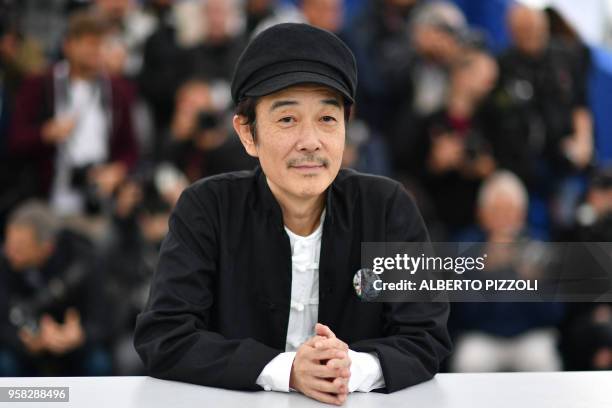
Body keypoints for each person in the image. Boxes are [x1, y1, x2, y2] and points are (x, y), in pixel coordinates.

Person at [134, 23, 451, 405]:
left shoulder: (387, 207)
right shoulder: (207, 208)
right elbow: (164, 336)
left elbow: (426, 336)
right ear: (248, 133)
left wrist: (351, 367)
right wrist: (285, 371)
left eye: (327, 119)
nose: (310, 141)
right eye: (287, 119)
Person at [8, 11, 138, 217]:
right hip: (46, 200)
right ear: (68, 45)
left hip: (97, 202)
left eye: (100, 44)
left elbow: (130, 149)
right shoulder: (39, 84)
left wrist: (116, 171)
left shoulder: (118, 90)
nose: (95, 51)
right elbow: (14, 139)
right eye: (88, 43)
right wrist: (45, 133)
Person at [0, 201, 111, 376]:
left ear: (47, 248)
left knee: (99, 363)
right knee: (5, 364)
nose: (9, 252)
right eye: (8, 243)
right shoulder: (5, 262)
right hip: (25, 348)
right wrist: (24, 340)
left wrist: (80, 335)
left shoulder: (83, 258)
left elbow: (102, 317)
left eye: (19, 248)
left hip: (75, 347)